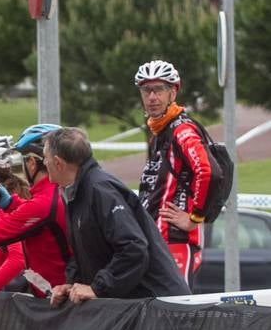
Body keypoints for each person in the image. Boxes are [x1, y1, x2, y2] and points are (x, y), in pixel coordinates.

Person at [44, 128, 190, 305]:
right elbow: (87, 251)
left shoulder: (100, 190)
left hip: (158, 305)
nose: (45, 162)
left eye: (46, 158)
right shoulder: (75, 192)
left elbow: (134, 248)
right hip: (135, 305)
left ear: (58, 162)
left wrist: (97, 288)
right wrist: (70, 284)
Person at [0, 123, 69, 300]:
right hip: (55, 296)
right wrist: (11, 204)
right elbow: (9, 251)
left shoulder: (44, 201)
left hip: (59, 300)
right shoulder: (49, 196)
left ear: (31, 163)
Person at [135, 60, 212, 289]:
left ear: (172, 92)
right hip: (154, 240)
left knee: (179, 312)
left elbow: (206, 172)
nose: (152, 97)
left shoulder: (181, 130)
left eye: (158, 89)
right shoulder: (160, 131)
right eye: (146, 90)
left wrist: (194, 218)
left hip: (176, 241)